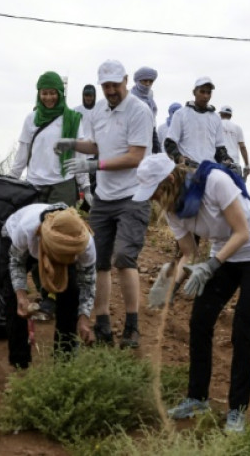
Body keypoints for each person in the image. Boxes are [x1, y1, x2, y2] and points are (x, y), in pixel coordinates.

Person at [134, 155, 250, 432]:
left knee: (242, 329)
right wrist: (171, 287)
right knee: (200, 322)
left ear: (169, 179)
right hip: (225, 256)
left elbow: (242, 232)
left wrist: (211, 266)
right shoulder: (173, 209)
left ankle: (237, 410)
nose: (153, 198)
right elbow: (189, 253)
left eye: (154, 190)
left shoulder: (215, 182)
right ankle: (197, 397)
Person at [54, 59, 153, 348]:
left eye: (114, 85)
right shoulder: (98, 110)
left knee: (124, 257)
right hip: (105, 199)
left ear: (125, 80)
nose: (110, 91)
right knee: (96, 260)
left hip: (133, 195)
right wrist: (72, 144)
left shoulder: (139, 111)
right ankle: (103, 323)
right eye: (106, 86)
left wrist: (96, 166)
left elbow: (136, 156)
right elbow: (96, 145)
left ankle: (132, 326)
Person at [8, 71, 90, 319]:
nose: (49, 97)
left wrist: (85, 188)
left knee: (61, 240)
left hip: (62, 185)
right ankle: (46, 296)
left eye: (53, 92)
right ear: (38, 93)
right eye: (44, 93)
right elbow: (22, 153)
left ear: (60, 93)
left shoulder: (74, 119)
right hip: (34, 186)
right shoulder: (31, 119)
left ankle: (63, 295)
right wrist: (11, 181)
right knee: (35, 240)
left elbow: (80, 156)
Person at [4, 203, 96, 368]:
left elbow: (88, 283)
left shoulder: (85, 243)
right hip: (21, 242)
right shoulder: (26, 230)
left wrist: (83, 319)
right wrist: (21, 296)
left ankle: (64, 360)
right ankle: (20, 361)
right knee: (11, 292)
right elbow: (16, 263)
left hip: (54, 246)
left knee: (71, 291)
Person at [164, 77, 232, 167]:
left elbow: (219, 148)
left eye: (208, 92)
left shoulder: (215, 117)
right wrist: (180, 158)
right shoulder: (181, 114)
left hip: (209, 168)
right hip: (187, 169)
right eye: (202, 91)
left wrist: (226, 159)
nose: (205, 96)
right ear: (194, 92)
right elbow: (169, 143)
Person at [131, 66, 161, 153]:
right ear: (138, 81)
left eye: (150, 81)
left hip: (149, 135)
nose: (147, 84)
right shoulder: (130, 98)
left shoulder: (150, 99)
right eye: (144, 81)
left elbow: (152, 125)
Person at [219, 105, 250, 178]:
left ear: (221, 114)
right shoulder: (237, 128)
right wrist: (247, 165)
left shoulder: (216, 126)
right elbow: (242, 147)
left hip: (219, 162)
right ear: (230, 115)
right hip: (234, 164)